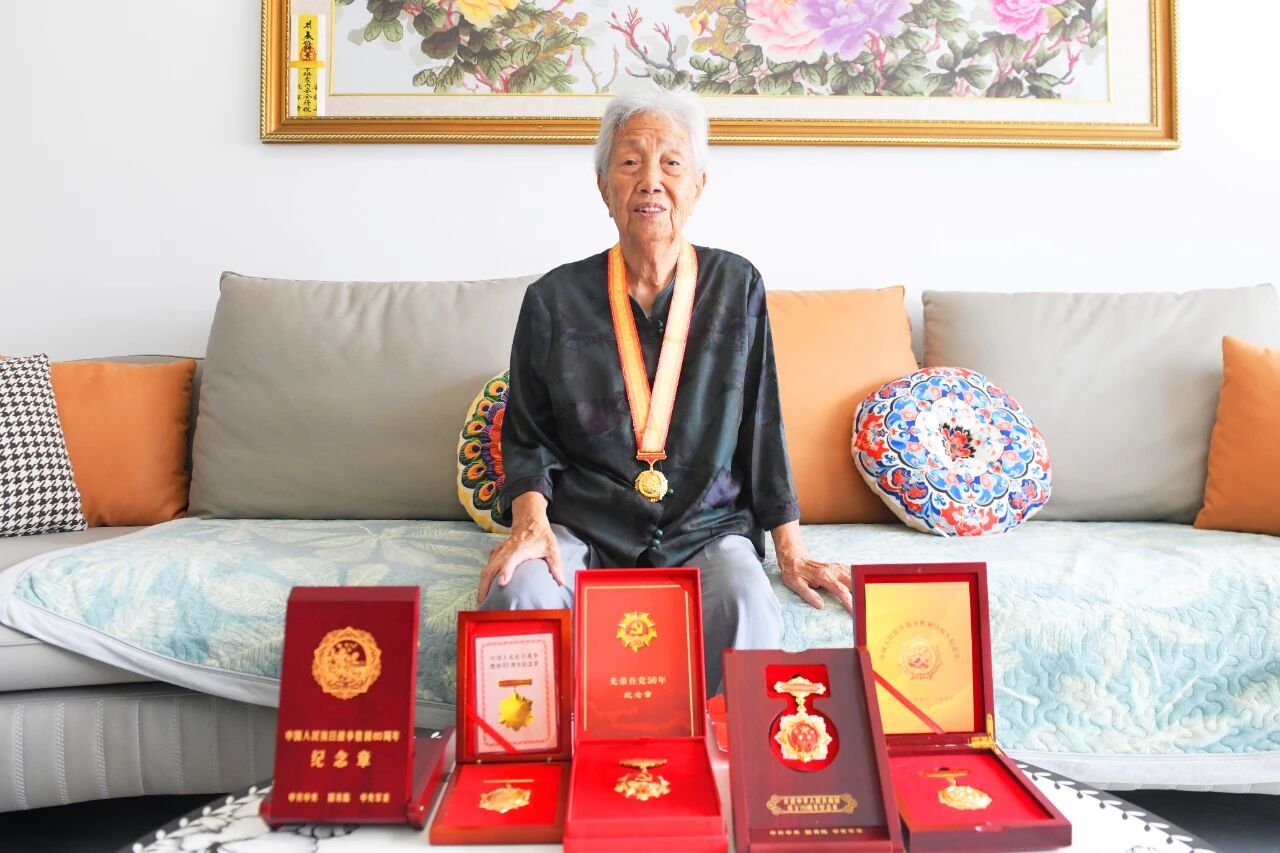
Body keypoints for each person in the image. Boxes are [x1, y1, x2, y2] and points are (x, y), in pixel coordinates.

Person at [477, 87, 850, 693]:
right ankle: (538, 749)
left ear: (698, 184)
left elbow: (761, 423)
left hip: (706, 526)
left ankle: (729, 752)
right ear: (604, 186)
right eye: (630, 162)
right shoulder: (553, 299)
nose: (651, 180)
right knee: (518, 591)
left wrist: (790, 549)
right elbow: (528, 435)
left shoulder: (736, 285)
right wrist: (530, 523)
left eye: (671, 163)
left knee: (747, 602)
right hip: (587, 526)